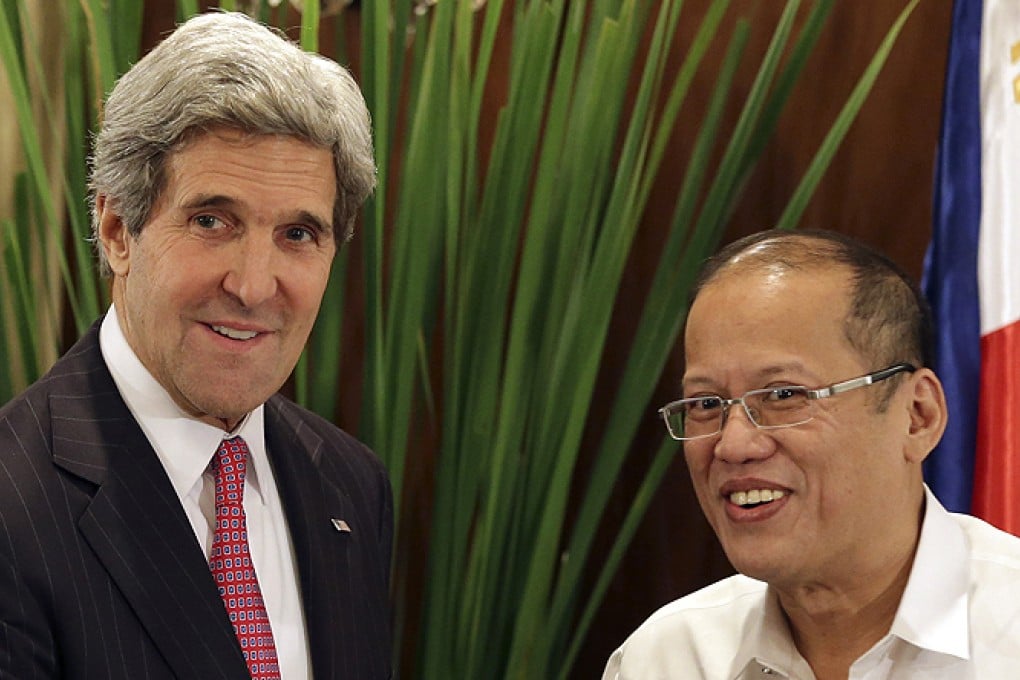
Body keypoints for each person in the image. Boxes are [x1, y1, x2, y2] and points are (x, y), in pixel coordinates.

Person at [0, 12, 392, 680]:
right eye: (212, 221)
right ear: (119, 230)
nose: (252, 285)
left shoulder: (352, 486)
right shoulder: (14, 507)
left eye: (298, 234)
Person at [603, 229, 1020, 679]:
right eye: (706, 404)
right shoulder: (668, 659)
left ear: (918, 415)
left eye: (784, 394)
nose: (734, 445)